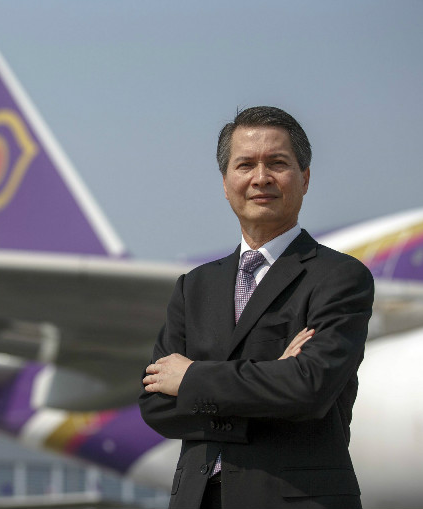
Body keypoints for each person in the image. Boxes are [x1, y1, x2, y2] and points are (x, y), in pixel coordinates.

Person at [139, 106, 374, 509]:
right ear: (225, 183)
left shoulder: (340, 277)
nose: (260, 178)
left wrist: (192, 379)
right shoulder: (193, 286)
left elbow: (307, 388)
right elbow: (157, 405)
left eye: (277, 163)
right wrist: (272, 378)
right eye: (245, 164)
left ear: (305, 177)